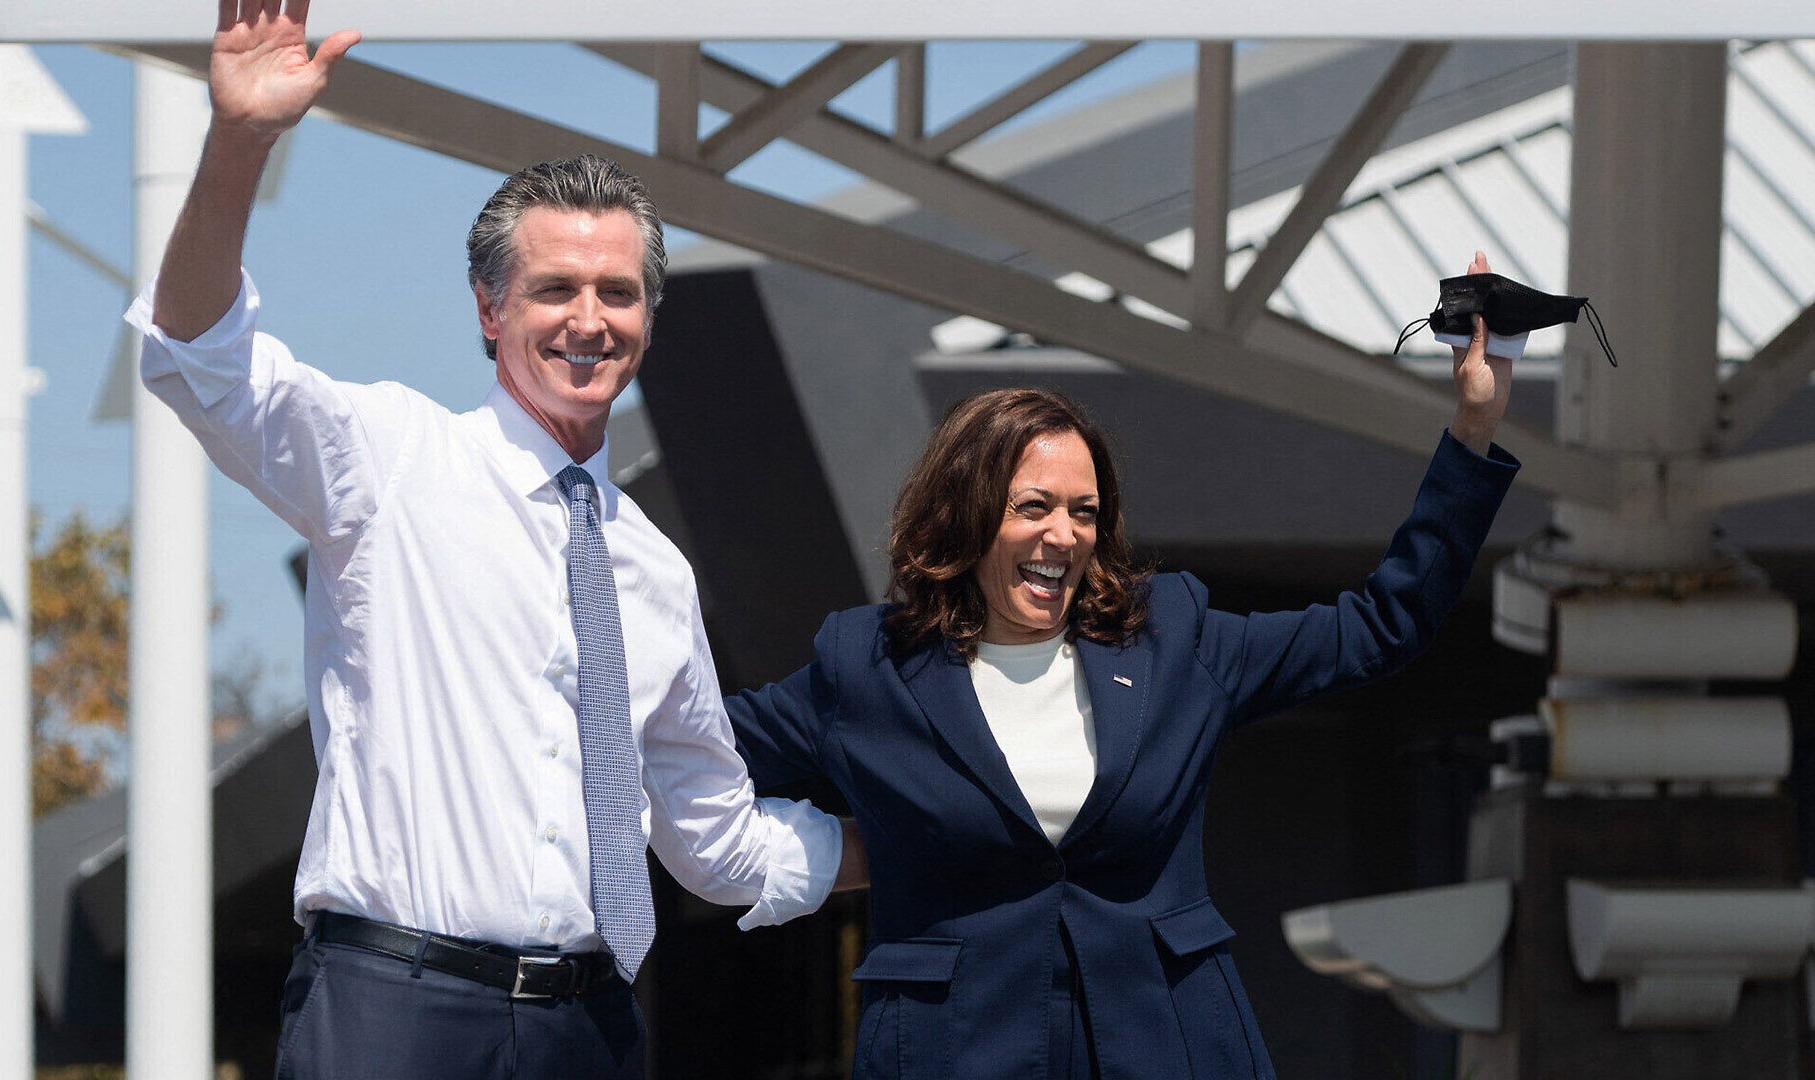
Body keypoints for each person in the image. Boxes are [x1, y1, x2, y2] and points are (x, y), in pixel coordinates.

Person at [126, 3, 857, 1078]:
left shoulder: (653, 569)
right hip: (391, 1013)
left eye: (618, 292)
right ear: (489, 310)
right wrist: (239, 139)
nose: (588, 319)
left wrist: (925, 841)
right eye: (553, 288)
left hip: (591, 1024)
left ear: (650, 320)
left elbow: (714, 841)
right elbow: (197, 359)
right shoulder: (391, 461)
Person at [726, 256, 1518, 1080]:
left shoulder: (1173, 637)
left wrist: (1472, 433)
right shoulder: (866, 666)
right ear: (963, 514)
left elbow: (1383, 625)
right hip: (951, 1052)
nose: (1063, 537)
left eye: (1084, 513)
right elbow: (692, 751)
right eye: (1033, 507)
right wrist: (817, 849)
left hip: (1170, 1046)